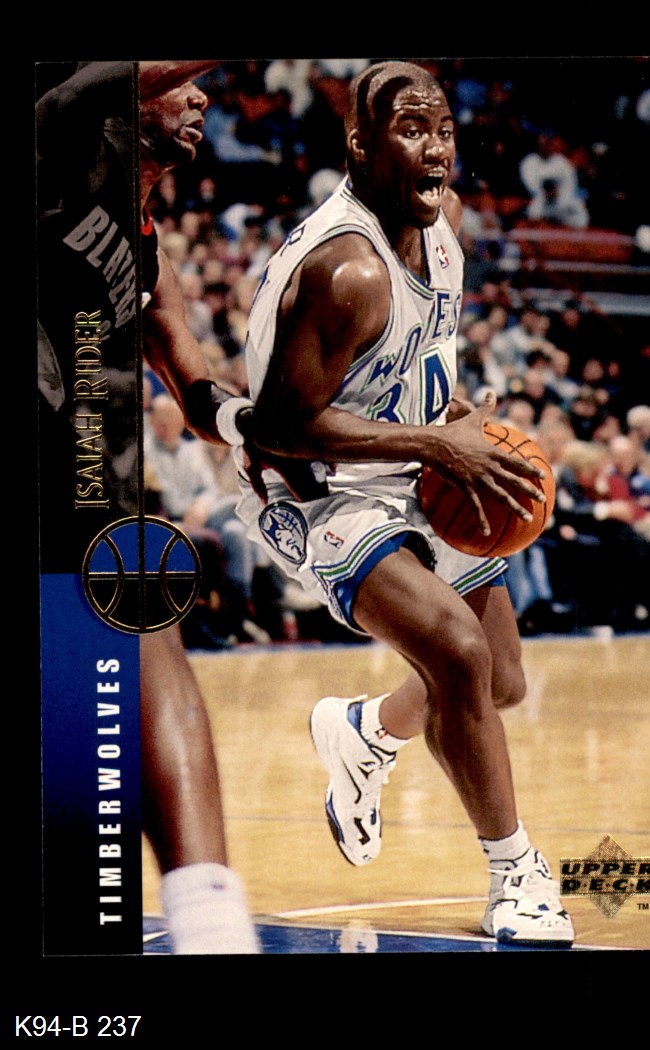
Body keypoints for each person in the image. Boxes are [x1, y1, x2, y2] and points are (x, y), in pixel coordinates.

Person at [226, 61, 574, 945]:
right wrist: (432, 444)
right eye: (410, 130)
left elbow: (414, 357)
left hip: (409, 463)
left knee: (500, 679)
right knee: (457, 654)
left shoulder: (443, 227)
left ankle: (366, 732)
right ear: (359, 143)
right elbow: (280, 428)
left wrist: (449, 419)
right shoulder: (347, 270)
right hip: (317, 488)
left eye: (443, 129)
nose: (435, 148)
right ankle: (517, 876)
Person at [37, 61, 259, 954]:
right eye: (187, 79)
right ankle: (212, 921)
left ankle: (207, 916)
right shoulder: (58, 137)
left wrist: (263, 427)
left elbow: (198, 390)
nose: (202, 95)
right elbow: (95, 82)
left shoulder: (148, 247)